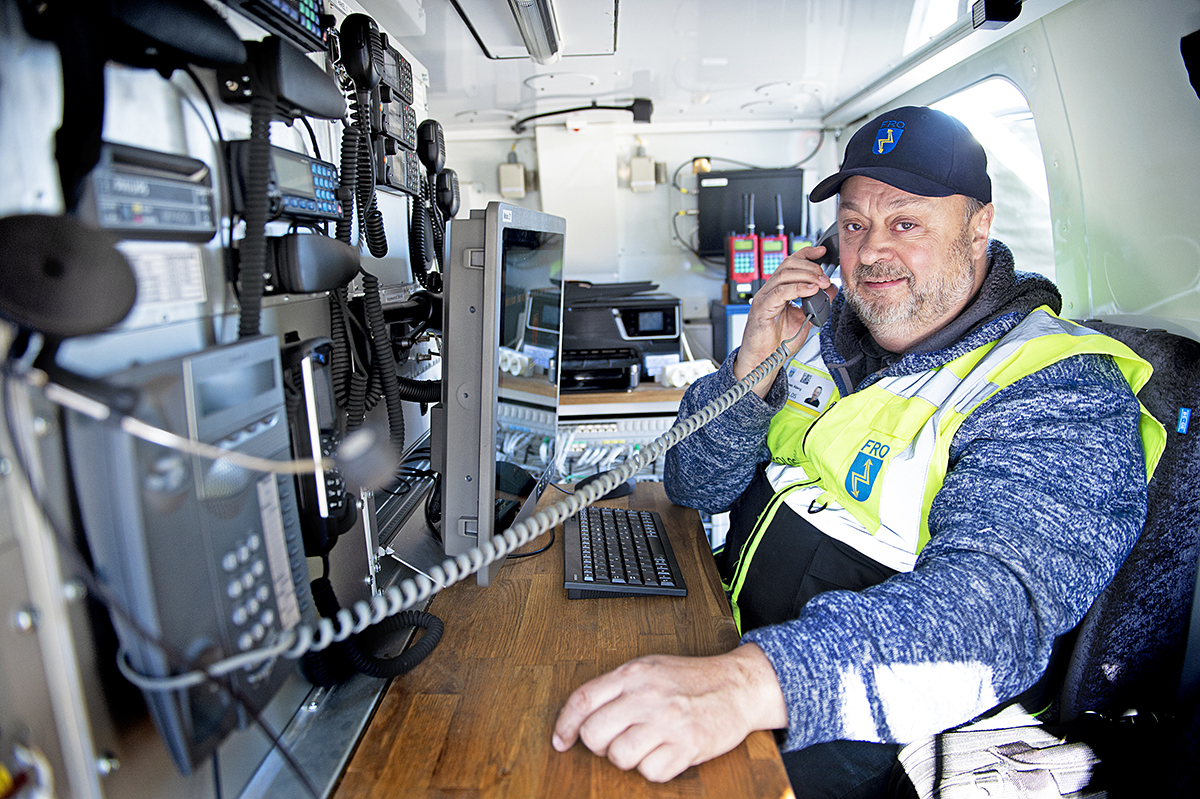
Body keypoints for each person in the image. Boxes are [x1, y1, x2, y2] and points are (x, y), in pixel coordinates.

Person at [551, 106, 1165, 797]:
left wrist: (751, 680)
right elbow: (693, 484)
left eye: (905, 223)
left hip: (880, 714)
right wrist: (752, 369)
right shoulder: (814, 334)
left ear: (979, 226)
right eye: (853, 225)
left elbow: (991, 612)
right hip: (739, 636)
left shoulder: (1056, 382)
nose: (871, 251)